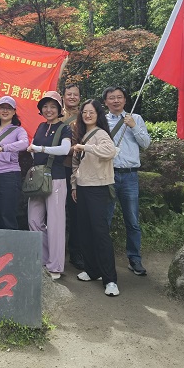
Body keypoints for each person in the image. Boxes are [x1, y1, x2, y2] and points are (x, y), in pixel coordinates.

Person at [71, 99, 120, 296]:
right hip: (82, 188)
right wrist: (74, 185)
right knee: (85, 231)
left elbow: (110, 151)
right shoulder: (81, 135)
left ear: (98, 114)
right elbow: (76, 164)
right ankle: (92, 270)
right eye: (84, 112)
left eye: (91, 112)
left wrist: (87, 148)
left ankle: (110, 280)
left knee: (100, 233)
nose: (87, 115)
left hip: (98, 188)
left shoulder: (101, 134)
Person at [103, 86, 151, 276]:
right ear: (105, 101)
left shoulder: (135, 118)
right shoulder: (102, 121)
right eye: (111, 97)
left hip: (130, 176)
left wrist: (133, 126)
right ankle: (104, 258)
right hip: (108, 174)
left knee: (132, 220)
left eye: (119, 97)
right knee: (105, 218)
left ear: (125, 100)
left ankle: (134, 258)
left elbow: (146, 144)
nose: (115, 101)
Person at [26, 90, 72, 279]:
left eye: (53, 106)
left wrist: (40, 148)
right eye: (45, 106)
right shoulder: (40, 126)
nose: (48, 110)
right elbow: (33, 149)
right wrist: (34, 150)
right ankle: (44, 259)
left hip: (56, 178)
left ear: (60, 109)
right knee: (33, 220)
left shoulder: (64, 128)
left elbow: (65, 149)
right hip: (38, 179)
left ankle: (55, 266)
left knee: (55, 223)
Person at [0, 96, 29, 230]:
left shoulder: (18, 130)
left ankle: (11, 243)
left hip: (9, 174)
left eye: (9, 108)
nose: (5, 111)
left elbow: (24, 143)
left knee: (7, 214)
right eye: (2, 108)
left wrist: (3, 148)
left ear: (14, 111)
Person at [62, 83, 84, 270]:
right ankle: (55, 251)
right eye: (69, 94)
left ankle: (76, 252)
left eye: (75, 94)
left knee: (76, 211)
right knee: (55, 211)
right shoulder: (56, 114)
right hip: (57, 169)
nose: (72, 97)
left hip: (76, 169)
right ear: (63, 96)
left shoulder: (85, 116)